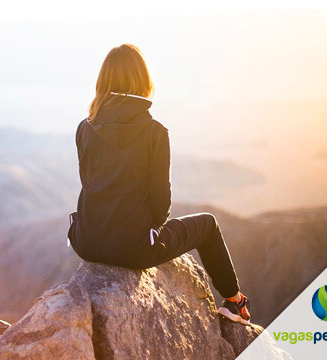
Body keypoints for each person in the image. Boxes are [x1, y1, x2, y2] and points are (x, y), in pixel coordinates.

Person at [67, 44, 251, 325]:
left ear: (103, 81)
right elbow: (161, 206)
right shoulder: (155, 132)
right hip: (134, 249)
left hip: (86, 241)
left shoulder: (84, 127)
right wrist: (146, 231)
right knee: (209, 225)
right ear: (143, 81)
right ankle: (234, 302)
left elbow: (90, 183)